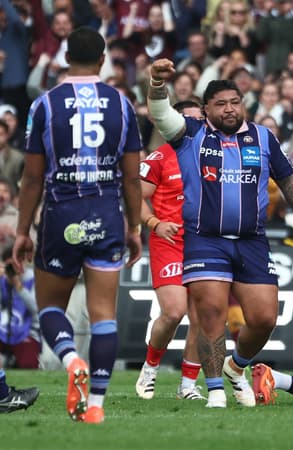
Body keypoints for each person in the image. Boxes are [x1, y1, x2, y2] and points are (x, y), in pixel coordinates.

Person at [146, 58, 293, 409]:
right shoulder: (190, 134)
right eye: (221, 104)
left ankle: (235, 366)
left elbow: (287, 179)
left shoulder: (263, 137)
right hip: (205, 239)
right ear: (206, 110)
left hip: (252, 241)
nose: (229, 109)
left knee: (264, 318)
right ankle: (213, 392)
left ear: (243, 104)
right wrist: (156, 84)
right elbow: (161, 112)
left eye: (235, 102)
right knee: (211, 315)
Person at [13, 27, 143, 424]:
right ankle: (98, 408)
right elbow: (133, 179)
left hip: (60, 215)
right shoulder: (121, 104)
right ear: (103, 60)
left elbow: (32, 179)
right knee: (104, 313)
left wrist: (21, 231)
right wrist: (135, 228)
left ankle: (71, 361)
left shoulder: (45, 105)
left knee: (52, 306)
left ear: (66, 57)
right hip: (106, 214)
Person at [135, 100, 205, 401]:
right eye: (187, 119)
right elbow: (135, 196)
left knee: (204, 317)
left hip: (204, 243)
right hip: (170, 242)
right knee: (174, 311)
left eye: (199, 120)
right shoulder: (159, 157)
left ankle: (187, 386)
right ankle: (150, 368)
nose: (193, 125)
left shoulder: (214, 156)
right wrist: (154, 223)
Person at [1, 244, 39, 369]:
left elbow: (35, 308)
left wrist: (19, 286)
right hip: (3, 329)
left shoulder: (34, 278)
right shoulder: (3, 280)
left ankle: (14, 361)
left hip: (28, 332)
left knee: (28, 365)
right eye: (10, 265)